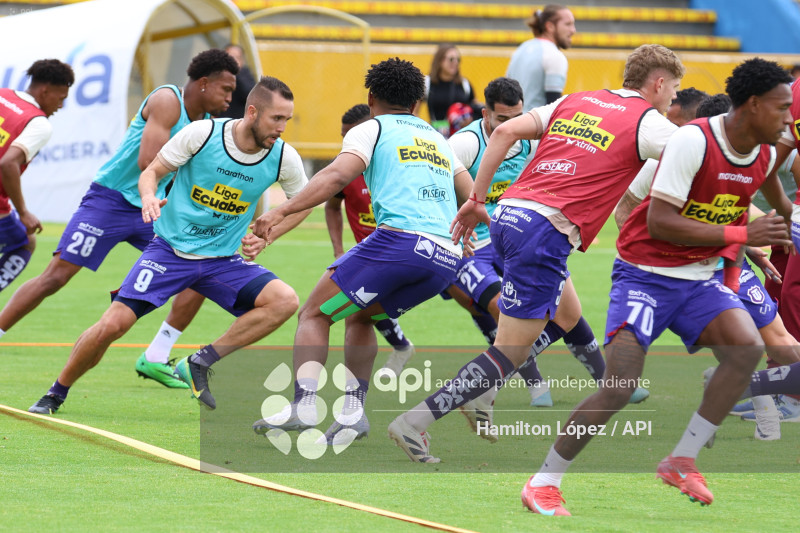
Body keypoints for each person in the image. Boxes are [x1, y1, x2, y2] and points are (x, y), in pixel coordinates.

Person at [389, 44, 685, 466]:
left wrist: (476, 199)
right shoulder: (649, 123)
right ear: (658, 83)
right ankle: (416, 420)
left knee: (567, 313)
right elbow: (702, 158)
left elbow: (504, 133)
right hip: (545, 232)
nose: (673, 97)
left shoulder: (578, 100)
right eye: (673, 89)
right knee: (508, 351)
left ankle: (484, 389)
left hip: (509, 215)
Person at [523, 58, 793, 515]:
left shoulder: (765, 153)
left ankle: (681, 460)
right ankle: (543, 482)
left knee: (747, 349)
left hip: (700, 278)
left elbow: (776, 201)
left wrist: (781, 224)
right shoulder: (693, 140)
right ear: (753, 104)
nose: (789, 118)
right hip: (645, 274)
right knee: (619, 386)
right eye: (781, 107)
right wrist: (745, 234)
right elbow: (659, 221)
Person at [28, 76, 310, 414]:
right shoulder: (203, 134)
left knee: (284, 301)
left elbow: (304, 203)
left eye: (286, 119)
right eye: (276, 118)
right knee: (113, 325)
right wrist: (149, 197)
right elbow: (151, 172)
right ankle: (56, 392)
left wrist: (270, 233)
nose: (282, 128)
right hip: (169, 252)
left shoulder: (283, 157)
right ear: (252, 112)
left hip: (222, 261)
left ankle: (200, 361)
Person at [250, 58, 474, 444]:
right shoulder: (439, 139)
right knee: (360, 316)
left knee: (314, 313)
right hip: (445, 259)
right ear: (417, 103)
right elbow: (470, 196)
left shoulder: (372, 128)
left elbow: (337, 175)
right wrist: (464, 233)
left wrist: (281, 210)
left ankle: (304, 405)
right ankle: (353, 415)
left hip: (400, 243)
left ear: (371, 99)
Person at [0, 49, 239, 390]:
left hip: (152, 209)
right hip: (110, 202)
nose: (230, 98)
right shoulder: (167, 100)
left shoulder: (207, 124)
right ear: (203, 83)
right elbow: (147, 162)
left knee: (201, 266)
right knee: (56, 277)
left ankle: (156, 355)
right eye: (226, 89)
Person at [446, 77, 646, 437]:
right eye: (502, 119)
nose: (511, 126)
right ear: (485, 114)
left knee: (567, 310)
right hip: (472, 246)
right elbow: (434, 186)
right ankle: (531, 384)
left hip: (517, 233)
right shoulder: (464, 144)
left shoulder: (531, 140)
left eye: (517, 116)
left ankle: (606, 379)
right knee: (504, 310)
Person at [617, 91, 800, 441]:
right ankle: (755, 411)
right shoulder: (669, 160)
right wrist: (653, 256)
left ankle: (758, 408)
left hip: (729, 263)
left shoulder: (754, 155)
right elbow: (625, 211)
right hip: (679, 276)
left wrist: (751, 245)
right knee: (734, 348)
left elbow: (737, 210)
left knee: (779, 341)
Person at [324, 103, 416, 377]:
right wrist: (338, 249)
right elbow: (332, 206)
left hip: (402, 251)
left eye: (351, 134)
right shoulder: (344, 169)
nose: (347, 141)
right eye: (343, 136)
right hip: (368, 255)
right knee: (357, 309)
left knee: (357, 309)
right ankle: (399, 349)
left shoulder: (398, 163)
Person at [0, 59, 73, 293]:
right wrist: (23, 212)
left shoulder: (3, 95)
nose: (60, 106)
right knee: (25, 241)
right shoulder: (38, 123)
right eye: (60, 98)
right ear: (45, 90)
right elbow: (8, 163)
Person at [506, 4, 576, 113]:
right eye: (568, 24)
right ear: (550, 26)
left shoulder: (522, 48)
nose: (573, 30)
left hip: (512, 121)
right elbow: (552, 107)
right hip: (533, 123)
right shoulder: (554, 55)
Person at [424, 44, 479, 137]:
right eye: (451, 59)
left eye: (458, 59)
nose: (455, 62)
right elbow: (415, 111)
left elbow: (475, 108)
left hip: (461, 136)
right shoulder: (427, 82)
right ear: (440, 60)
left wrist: (470, 120)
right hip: (436, 136)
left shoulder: (464, 84)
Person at [219, 43, 257, 119]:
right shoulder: (217, 76)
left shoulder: (245, 75)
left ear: (242, 60)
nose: (232, 61)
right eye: (229, 58)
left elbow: (249, 94)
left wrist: (236, 72)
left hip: (238, 121)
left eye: (236, 58)